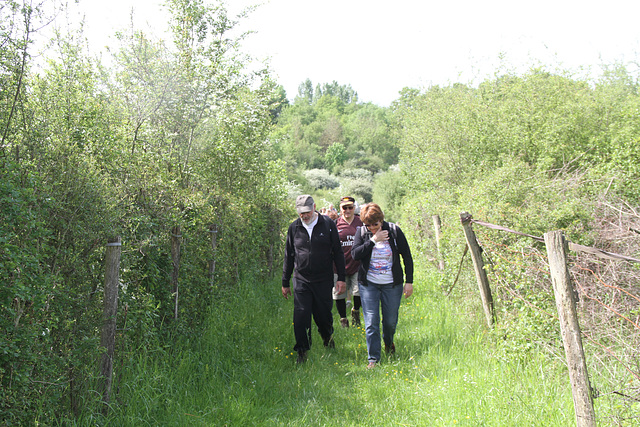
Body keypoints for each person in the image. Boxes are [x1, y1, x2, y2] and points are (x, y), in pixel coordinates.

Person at [282, 195, 347, 364]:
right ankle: (302, 351)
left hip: (323, 279)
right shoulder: (294, 227)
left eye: (307, 211)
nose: (304, 215)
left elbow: (338, 253)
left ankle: (327, 337)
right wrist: (285, 282)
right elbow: (289, 256)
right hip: (302, 279)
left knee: (323, 315)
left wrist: (341, 278)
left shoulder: (328, 224)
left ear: (314, 207)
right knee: (301, 316)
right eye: (301, 212)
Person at [351, 203, 414, 369]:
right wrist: (373, 241)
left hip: (392, 285)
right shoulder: (362, 232)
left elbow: (407, 256)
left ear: (381, 220)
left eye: (375, 224)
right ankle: (373, 359)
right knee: (371, 322)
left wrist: (409, 282)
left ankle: (389, 342)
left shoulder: (394, 231)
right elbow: (355, 254)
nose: (371, 227)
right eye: (368, 225)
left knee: (390, 322)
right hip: (369, 284)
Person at [333, 196, 364, 328]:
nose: (347, 210)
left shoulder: (361, 222)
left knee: (358, 293)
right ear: (340, 208)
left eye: (350, 207)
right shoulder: (334, 224)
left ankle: (355, 311)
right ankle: (343, 320)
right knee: (339, 294)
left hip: (358, 265)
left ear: (354, 208)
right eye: (344, 207)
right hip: (338, 267)